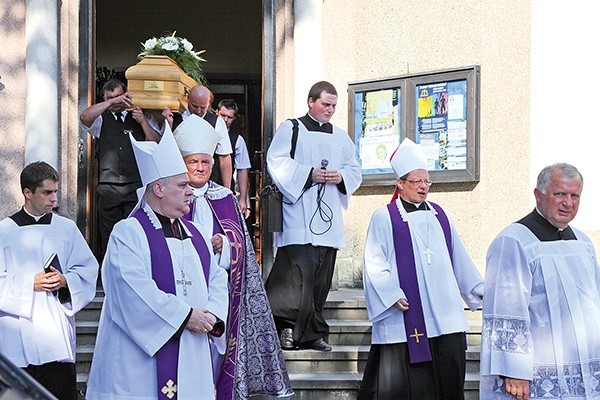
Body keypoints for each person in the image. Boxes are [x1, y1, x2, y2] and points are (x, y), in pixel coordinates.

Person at [85, 125, 229, 400]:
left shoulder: (196, 233)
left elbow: (217, 279)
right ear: (159, 188)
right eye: (182, 185)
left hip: (192, 353)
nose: (190, 191)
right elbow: (133, 291)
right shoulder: (128, 233)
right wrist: (186, 316)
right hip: (139, 366)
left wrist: (212, 314)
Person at [173, 115, 293, 400]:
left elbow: (242, 246)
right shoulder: (171, 195)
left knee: (217, 351)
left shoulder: (225, 197)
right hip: (182, 290)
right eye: (193, 162)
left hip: (221, 292)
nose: (200, 168)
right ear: (183, 163)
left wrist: (225, 245)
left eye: (205, 162)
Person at [358, 138, 484, 400]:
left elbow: (458, 255)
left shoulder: (441, 214)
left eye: (427, 181)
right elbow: (374, 260)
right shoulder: (385, 216)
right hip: (405, 311)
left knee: (448, 378)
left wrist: (476, 289)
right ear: (400, 184)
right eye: (417, 182)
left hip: (445, 311)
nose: (424, 187)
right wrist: (390, 293)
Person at [480, 163, 600, 400]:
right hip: (536, 371)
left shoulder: (583, 243)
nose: (568, 203)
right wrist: (513, 370)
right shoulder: (515, 240)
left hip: (584, 364)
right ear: (538, 195)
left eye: (575, 195)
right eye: (560, 194)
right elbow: (505, 308)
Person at [265, 80, 362, 351]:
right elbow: (277, 160)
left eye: (333, 105)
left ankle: (312, 333)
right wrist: (309, 174)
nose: (330, 110)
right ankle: (286, 328)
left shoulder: (341, 136)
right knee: (295, 275)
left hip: (328, 217)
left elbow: (355, 169)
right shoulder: (291, 128)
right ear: (311, 101)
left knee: (320, 278)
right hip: (298, 213)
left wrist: (340, 176)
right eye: (325, 104)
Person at [0, 161, 99, 400]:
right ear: (27, 192)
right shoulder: (4, 231)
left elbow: (87, 269)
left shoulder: (67, 229)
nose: (54, 198)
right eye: (47, 192)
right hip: (15, 337)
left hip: (56, 335)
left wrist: (66, 280)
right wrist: (28, 284)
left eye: (55, 192)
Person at [80, 78, 161, 260]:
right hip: (109, 187)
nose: (116, 101)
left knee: (135, 232)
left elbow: (157, 143)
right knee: (109, 234)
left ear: (126, 94)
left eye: (118, 96)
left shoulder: (141, 115)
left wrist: (142, 122)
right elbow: (84, 117)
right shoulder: (101, 119)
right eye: (111, 98)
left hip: (135, 187)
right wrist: (110, 103)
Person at [162, 84, 233, 189]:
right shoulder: (173, 118)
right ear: (188, 99)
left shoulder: (217, 122)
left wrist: (227, 190)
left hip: (208, 184)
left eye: (203, 107)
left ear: (208, 103)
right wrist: (168, 125)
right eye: (195, 106)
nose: (199, 111)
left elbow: (224, 157)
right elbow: (164, 150)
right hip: (178, 184)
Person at [216, 99, 252, 218]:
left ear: (234, 118)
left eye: (229, 117)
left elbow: (242, 169)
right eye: (223, 115)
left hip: (225, 190)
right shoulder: (205, 132)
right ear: (216, 112)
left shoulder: (238, 140)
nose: (225, 120)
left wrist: (243, 199)